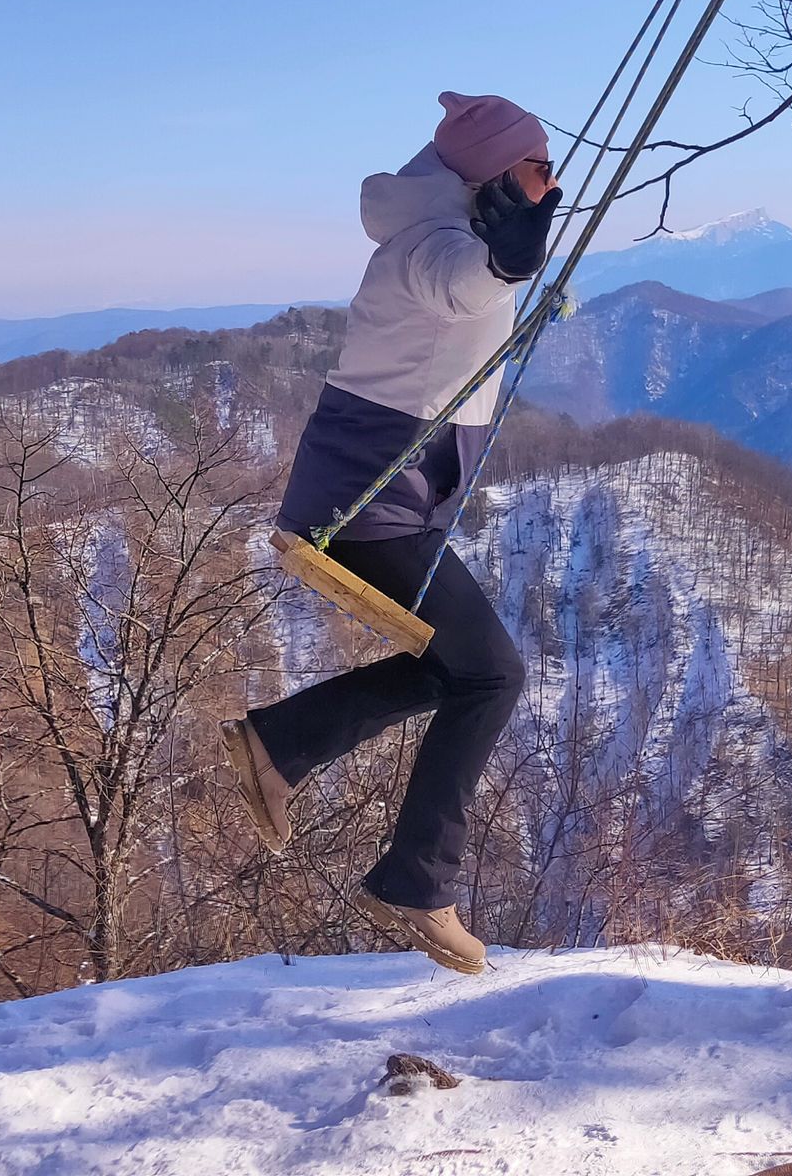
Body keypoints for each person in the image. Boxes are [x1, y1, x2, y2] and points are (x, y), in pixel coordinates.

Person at [221, 91, 562, 975]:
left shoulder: (448, 227)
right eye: (536, 167)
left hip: (383, 499)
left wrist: (514, 241)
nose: (549, 180)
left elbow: (483, 272)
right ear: (492, 178)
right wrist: (515, 253)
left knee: (455, 668)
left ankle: (281, 745)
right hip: (363, 506)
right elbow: (465, 281)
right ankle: (417, 880)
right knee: (492, 672)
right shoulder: (430, 246)